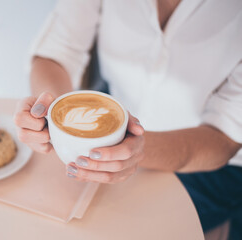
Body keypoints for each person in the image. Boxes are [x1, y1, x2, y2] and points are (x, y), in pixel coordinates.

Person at [13, 0, 242, 238]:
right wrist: (55, 116)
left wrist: (132, 148)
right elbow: (57, 52)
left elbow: (224, 138)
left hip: (207, 167)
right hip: (110, 138)